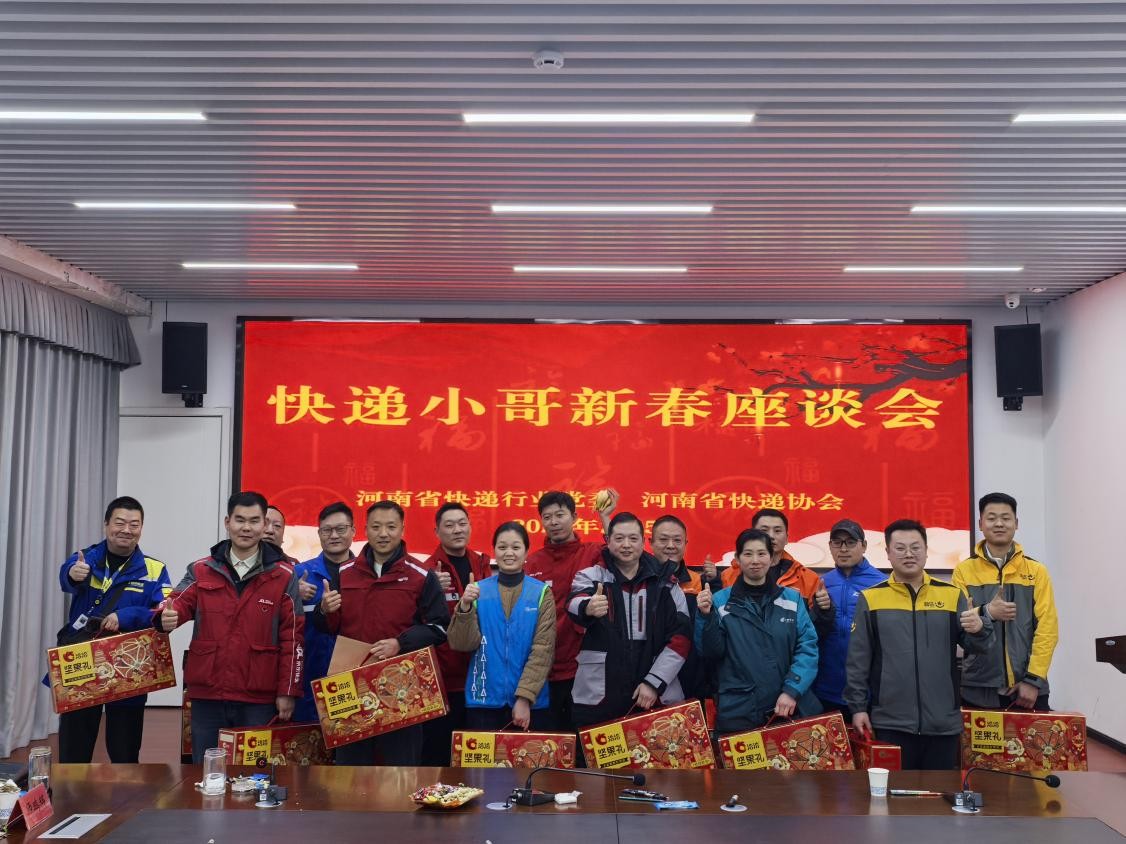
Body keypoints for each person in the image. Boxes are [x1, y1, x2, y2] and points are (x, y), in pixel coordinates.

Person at [158, 491, 304, 762]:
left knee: (253, 774)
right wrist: (165, 617)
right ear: (227, 522)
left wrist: (288, 691)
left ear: (264, 525)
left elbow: (293, 638)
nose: (246, 527)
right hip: (208, 692)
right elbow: (177, 602)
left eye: (254, 521)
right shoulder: (201, 569)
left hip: (258, 697)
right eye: (239, 520)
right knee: (207, 771)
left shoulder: (283, 576)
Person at [845, 519, 993, 770]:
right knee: (894, 792)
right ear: (888, 553)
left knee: (941, 791)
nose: (908, 554)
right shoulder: (871, 598)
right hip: (891, 723)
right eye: (900, 548)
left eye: (915, 547)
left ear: (926, 551)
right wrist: (858, 708)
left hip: (943, 722)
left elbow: (977, 646)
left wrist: (980, 629)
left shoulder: (951, 595)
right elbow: (858, 660)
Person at [312, 499, 449, 765]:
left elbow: (440, 628)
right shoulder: (345, 572)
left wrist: (400, 643)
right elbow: (327, 627)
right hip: (351, 682)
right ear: (365, 529)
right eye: (376, 527)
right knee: (350, 770)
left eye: (391, 527)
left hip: (402, 688)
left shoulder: (421, 575)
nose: (383, 534)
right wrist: (324, 610)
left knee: (399, 769)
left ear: (402, 529)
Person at [53, 496, 171, 763]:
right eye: (119, 522)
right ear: (106, 524)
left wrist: (126, 616)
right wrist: (72, 574)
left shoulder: (155, 570)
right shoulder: (86, 559)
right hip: (82, 658)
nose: (126, 530)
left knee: (124, 750)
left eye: (134, 524)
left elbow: (162, 612)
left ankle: (126, 791)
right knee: (74, 747)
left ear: (141, 528)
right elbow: (67, 575)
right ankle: (72, 789)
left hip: (128, 662)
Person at [567, 512, 692, 729]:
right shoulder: (591, 576)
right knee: (597, 749)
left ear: (643, 542)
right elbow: (572, 603)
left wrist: (654, 682)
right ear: (607, 541)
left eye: (633, 539)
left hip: (654, 693)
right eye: (619, 538)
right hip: (600, 693)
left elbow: (681, 639)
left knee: (656, 748)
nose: (626, 545)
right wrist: (588, 607)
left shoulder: (666, 583)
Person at [697, 528, 821, 732]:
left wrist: (792, 690)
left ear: (771, 558)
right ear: (737, 559)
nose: (755, 560)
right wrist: (705, 616)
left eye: (762, 553)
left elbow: (807, 647)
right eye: (748, 554)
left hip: (786, 706)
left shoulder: (792, 599)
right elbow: (710, 653)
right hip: (739, 710)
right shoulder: (719, 601)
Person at [953, 492, 1059, 711]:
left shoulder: (1036, 571)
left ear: (1016, 523)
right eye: (991, 518)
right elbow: (959, 623)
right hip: (978, 686)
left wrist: (1033, 679)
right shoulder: (964, 571)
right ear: (980, 524)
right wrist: (988, 612)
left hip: (1028, 689)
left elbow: (1047, 628)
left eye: (1006, 518)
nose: (999, 523)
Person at [447, 522, 556, 730]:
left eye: (516, 547)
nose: (509, 553)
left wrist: (524, 697)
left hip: (530, 705)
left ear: (526, 552)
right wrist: (465, 606)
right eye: (502, 547)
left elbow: (544, 649)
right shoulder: (477, 591)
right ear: (494, 551)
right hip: (483, 701)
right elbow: (462, 644)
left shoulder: (541, 593)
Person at [524, 490, 605, 732]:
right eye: (547, 517)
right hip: (542, 669)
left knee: (581, 738)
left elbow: (622, 551)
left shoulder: (592, 553)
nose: (554, 522)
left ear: (575, 517)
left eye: (560, 515)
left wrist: (606, 517)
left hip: (582, 667)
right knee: (547, 742)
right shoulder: (532, 562)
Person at [421, 502, 494, 764]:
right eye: (449, 525)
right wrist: (431, 590)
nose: (457, 530)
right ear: (437, 531)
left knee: (476, 756)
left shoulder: (483, 564)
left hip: (481, 678)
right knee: (440, 755)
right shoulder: (427, 570)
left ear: (470, 527)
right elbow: (418, 622)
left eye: (462, 523)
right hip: (444, 680)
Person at [813, 519, 887, 716]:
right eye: (837, 542)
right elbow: (811, 634)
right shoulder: (821, 583)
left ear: (864, 546)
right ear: (830, 546)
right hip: (825, 689)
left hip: (869, 693)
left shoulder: (882, 584)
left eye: (851, 542)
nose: (843, 549)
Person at [720, 508, 834, 633]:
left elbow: (815, 631)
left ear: (787, 538)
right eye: (764, 530)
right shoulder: (728, 576)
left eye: (777, 531)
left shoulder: (808, 579)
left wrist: (824, 610)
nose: (771, 536)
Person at [292, 501, 356, 723]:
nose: (334, 535)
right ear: (319, 534)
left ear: (353, 531)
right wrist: (293, 594)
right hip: (309, 676)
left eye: (341, 529)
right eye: (327, 530)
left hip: (354, 677)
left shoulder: (366, 574)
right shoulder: (300, 574)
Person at [650, 514, 720, 701]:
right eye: (663, 540)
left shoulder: (698, 582)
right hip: (649, 674)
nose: (670, 545)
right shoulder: (641, 579)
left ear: (686, 544)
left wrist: (715, 583)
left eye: (677, 540)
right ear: (650, 543)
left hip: (690, 674)